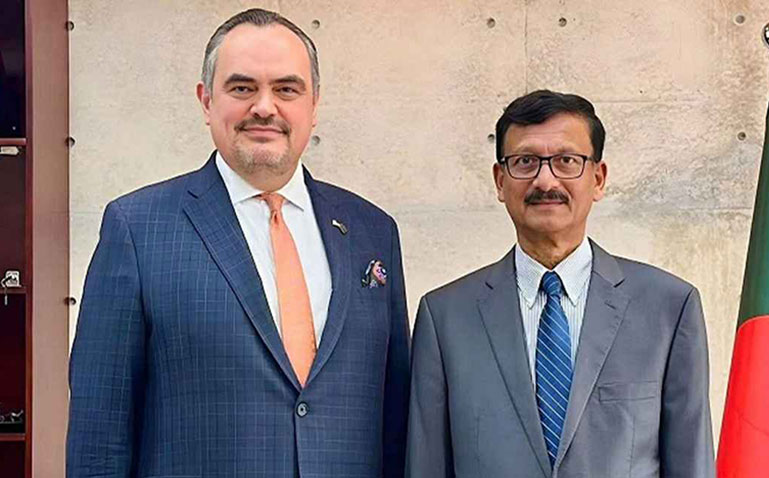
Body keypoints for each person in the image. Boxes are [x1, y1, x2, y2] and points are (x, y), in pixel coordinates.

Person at [67, 9, 410, 477]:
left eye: (286, 89)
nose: (265, 107)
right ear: (206, 101)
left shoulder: (372, 231)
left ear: (314, 105)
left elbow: (397, 423)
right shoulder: (138, 229)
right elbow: (98, 438)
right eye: (243, 88)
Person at [406, 90, 714, 478]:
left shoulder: (669, 308)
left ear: (598, 179)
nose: (545, 180)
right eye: (525, 162)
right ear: (500, 181)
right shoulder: (446, 317)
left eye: (566, 161)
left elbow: (691, 464)